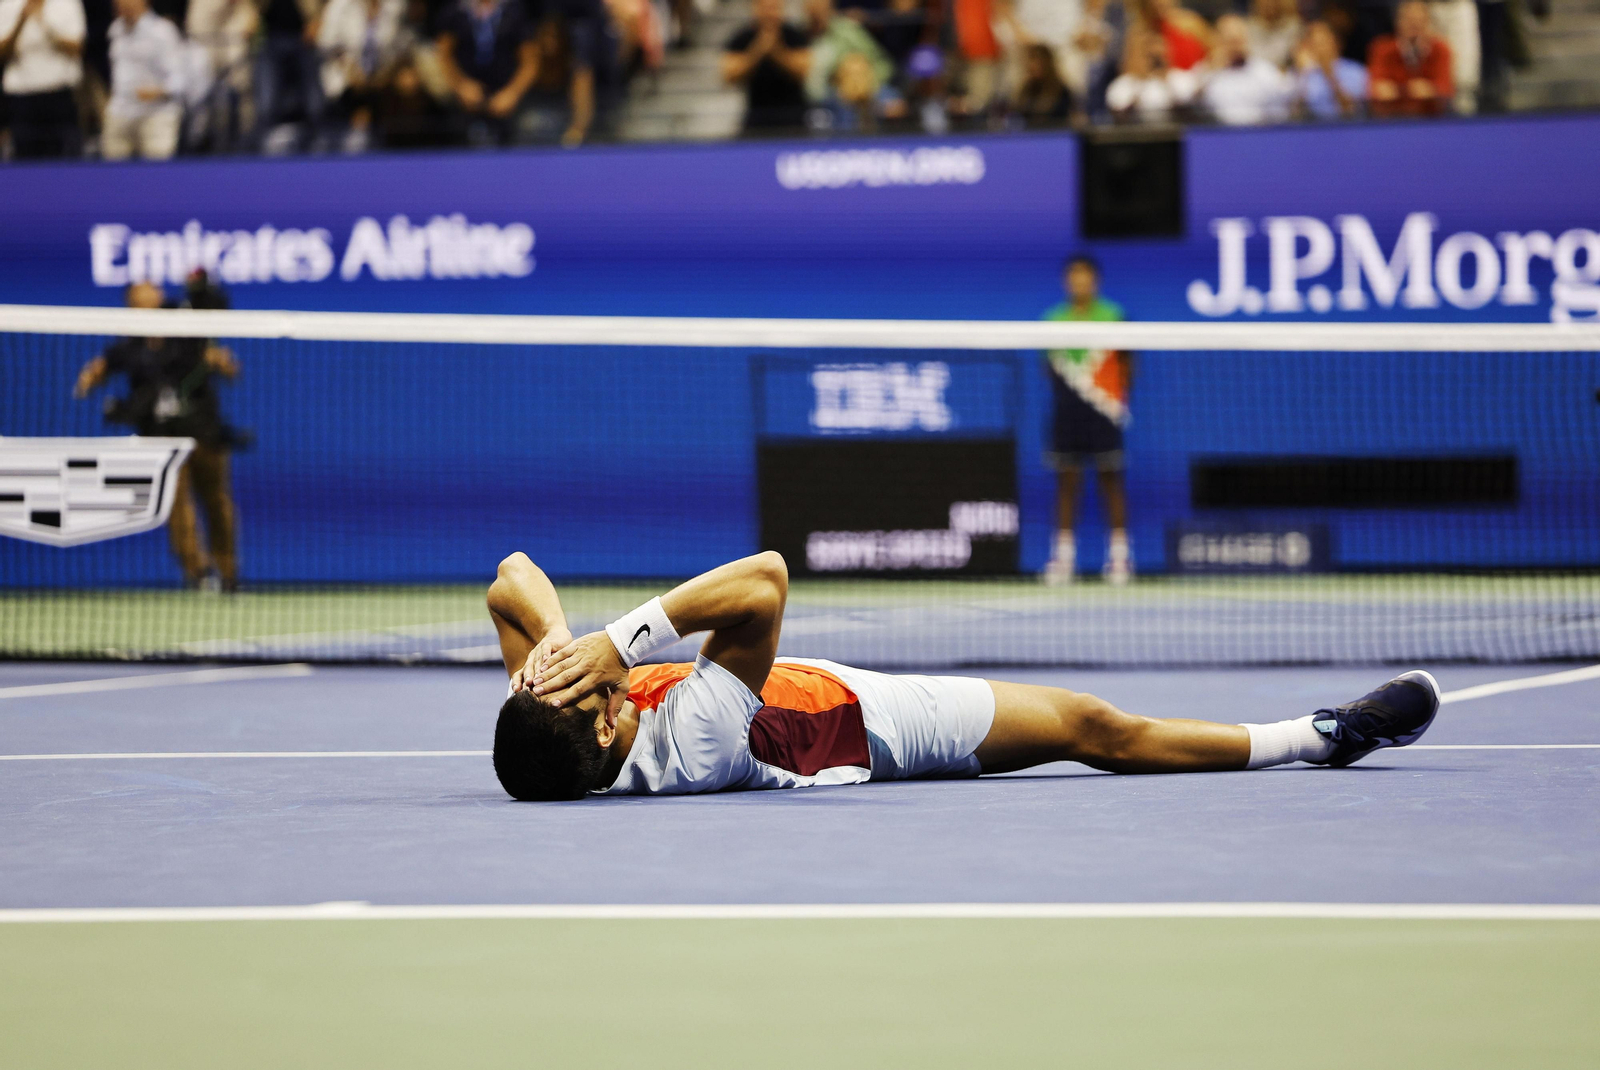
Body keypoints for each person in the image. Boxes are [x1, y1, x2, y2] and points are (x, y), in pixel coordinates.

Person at [486, 550, 1442, 801]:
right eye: (598, 689)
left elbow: (509, 582)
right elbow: (767, 582)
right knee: (1092, 727)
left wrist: (561, 639)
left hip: (817, 690)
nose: (597, 679)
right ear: (611, 728)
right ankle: (1322, 738)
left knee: (1088, 723)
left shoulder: (557, 719)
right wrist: (619, 639)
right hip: (872, 729)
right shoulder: (688, 745)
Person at [72, 279, 243, 591]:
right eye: (141, 294)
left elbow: (221, 358)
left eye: (153, 291)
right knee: (177, 505)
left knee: (217, 500)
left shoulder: (187, 327)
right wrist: (88, 378)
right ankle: (200, 575)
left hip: (202, 430)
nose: (150, 296)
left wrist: (222, 364)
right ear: (131, 303)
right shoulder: (129, 345)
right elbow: (102, 366)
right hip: (160, 438)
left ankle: (229, 572)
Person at [1041, 255, 1132, 586]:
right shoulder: (1053, 320)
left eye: (1085, 276)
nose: (1080, 282)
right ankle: (1063, 560)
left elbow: (1126, 365)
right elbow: (1049, 369)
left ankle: (1120, 559)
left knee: (1111, 482)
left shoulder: (1114, 317)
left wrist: (1111, 404)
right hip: (1068, 412)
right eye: (1074, 276)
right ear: (1067, 281)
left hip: (1104, 410)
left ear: (1095, 280)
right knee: (1067, 484)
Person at [435, 0, 540, 145]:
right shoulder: (456, 10)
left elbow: (530, 61)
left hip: (506, 100)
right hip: (464, 100)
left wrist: (512, 93)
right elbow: (443, 55)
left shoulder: (514, 10)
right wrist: (460, 86)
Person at [0, 0, 86, 158]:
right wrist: (21, 21)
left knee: (65, 157)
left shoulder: (67, 4)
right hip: (21, 96)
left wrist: (43, 22)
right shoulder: (9, 5)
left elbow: (76, 48)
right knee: (24, 158)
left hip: (59, 94)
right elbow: (2, 53)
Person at [101, 0, 184, 160]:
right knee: (112, 176)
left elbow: (180, 80)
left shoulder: (162, 32)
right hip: (120, 111)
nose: (123, 4)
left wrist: (158, 91)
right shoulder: (115, 30)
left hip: (155, 114)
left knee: (156, 176)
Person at [721, 0, 810, 133]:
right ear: (755, 9)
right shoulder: (742, 38)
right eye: (765, 8)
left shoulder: (795, 36)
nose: (770, 13)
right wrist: (758, 51)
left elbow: (804, 71)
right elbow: (729, 75)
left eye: (774, 8)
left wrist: (776, 51)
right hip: (756, 118)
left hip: (794, 119)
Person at [1199, 13, 1292, 125]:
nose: (1235, 47)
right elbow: (1189, 102)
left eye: (1238, 41)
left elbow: (1282, 108)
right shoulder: (1208, 71)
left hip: (1257, 134)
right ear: (1219, 41)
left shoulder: (1265, 71)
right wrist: (1210, 72)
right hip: (1217, 136)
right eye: (1229, 42)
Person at [1367, 0, 1451, 117]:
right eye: (1410, 20)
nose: (1415, 26)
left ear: (1428, 22)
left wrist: (1432, 90)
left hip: (1431, 118)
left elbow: (1445, 88)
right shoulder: (1382, 48)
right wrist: (1409, 89)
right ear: (1398, 21)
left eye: (1419, 21)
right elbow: (1377, 88)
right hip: (1392, 119)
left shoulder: (1440, 49)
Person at [1105, 25, 1197, 122]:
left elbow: (1189, 109)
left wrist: (1165, 81)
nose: (1154, 61)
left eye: (1158, 55)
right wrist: (1141, 81)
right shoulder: (1123, 85)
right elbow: (1120, 115)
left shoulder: (1180, 78)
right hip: (1138, 135)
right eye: (1149, 56)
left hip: (1174, 135)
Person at [1294, 18, 1366, 118]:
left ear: (1336, 42)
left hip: (1345, 127)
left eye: (1323, 42)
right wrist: (1304, 74)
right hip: (1312, 127)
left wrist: (1329, 74)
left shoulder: (1355, 71)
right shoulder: (1303, 72)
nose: (1319, 48)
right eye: (1314, 43)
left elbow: (1351, 111)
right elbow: (1295, 114)